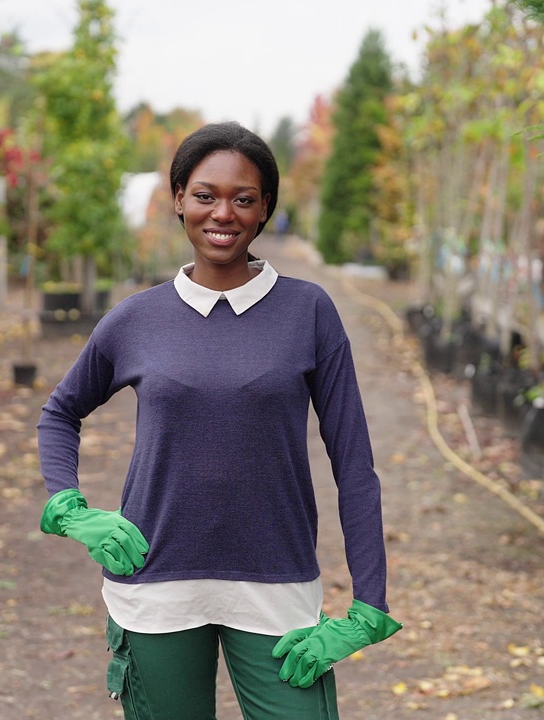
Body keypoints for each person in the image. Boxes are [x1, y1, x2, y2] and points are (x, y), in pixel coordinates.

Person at [36, 121, 400, 720]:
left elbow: (354, 465)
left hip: (277, 588)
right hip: (155, 585)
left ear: (265, 211)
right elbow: (59, 412)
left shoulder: (308, 312)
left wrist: (369, 604)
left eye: (243, 198)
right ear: (178, 199)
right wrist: (70, 508)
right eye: (205, 195)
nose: (222, 213)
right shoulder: (137, 319)